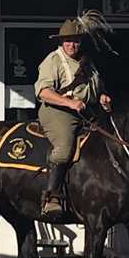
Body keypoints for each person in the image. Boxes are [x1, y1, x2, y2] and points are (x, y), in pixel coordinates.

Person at [34, 18, 112, 219]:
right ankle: (52, 197)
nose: (72, 44)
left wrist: (102, 97)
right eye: (67, 40)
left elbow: (97, 89)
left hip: (86, 112)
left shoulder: (89, 63)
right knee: (65, 147)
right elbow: (43, 92)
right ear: (61, 41)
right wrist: (69, 103)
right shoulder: (53, 60)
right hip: (58, 111)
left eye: (75, 40)